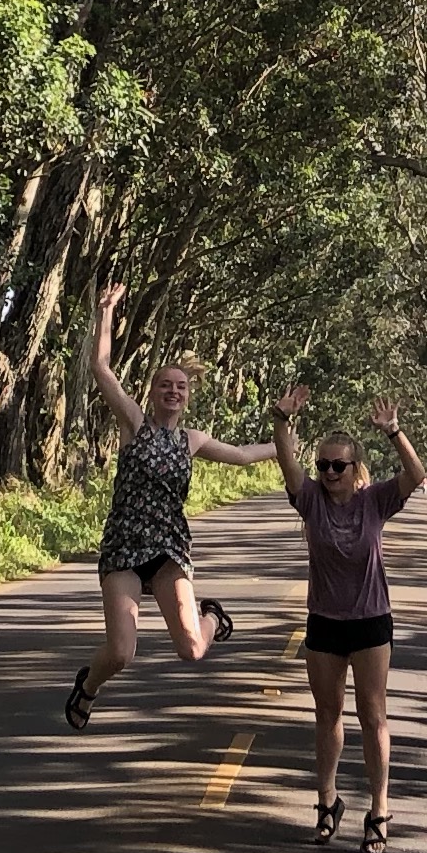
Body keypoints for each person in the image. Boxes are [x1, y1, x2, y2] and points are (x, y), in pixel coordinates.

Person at [66, 279, 276, 731]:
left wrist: (282, 443)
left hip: (168, 550)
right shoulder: (134, 424)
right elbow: (101, 368)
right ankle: (88, 687)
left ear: (187, 395)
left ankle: (211, 619)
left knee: (192, 649)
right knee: (121, 652)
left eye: (180, 386)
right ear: (154, 390)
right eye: (165, 385)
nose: (173, 391)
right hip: (124, 546)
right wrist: (105, 313)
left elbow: (241, 455)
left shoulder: (191, 440)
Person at [274, 385, 424, 853]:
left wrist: (394, 433)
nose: (330, 472)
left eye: (339, 465)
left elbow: (415, 475)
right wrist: (282, 418)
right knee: (327, 715)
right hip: (324, 621)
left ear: (355, 469)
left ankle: (379, 810)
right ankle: (327, 801)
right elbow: (284, 457)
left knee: (372, 714)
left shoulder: (375, 500)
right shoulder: (310, 499)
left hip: (371, 619)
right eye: (323, 465)